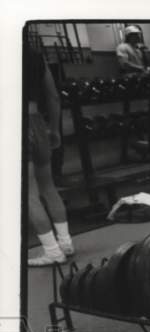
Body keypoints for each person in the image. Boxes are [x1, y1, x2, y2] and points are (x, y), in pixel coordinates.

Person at [25, 46, 76, 267]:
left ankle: (53, 252)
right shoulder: (35, 55)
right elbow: (53, 96)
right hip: (37, 122)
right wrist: (55, 129)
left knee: (29, 193)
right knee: (48, 187)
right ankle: (66, 244)